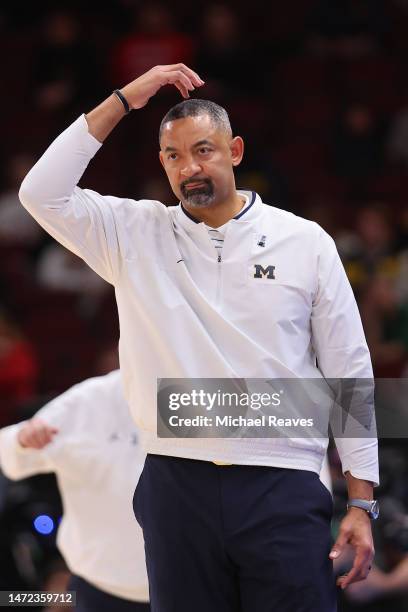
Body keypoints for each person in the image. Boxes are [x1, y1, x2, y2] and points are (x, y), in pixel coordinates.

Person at [19, 64, 379, 612]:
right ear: (161, 164)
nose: (190, 167)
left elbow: (348, 371)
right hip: (174, 479)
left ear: (235, 150)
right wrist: (126, 97)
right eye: (173, 156)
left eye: (204, 150)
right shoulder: (133, 234)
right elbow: (41, 192)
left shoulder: (305, 241)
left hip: (283, 477)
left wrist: (362, 501)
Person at [0, 370, 150, 612]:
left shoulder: (197, 391)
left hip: (191, 583)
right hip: (100, 588)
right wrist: (23, 439)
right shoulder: (90, 399)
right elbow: (10, 453)